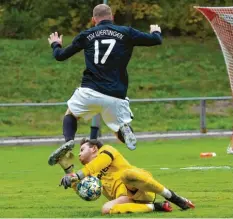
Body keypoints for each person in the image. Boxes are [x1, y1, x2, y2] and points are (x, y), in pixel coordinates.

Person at [47, 3, 163, 161]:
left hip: (90, 91)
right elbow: (156, 40)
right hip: (116, 95)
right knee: (118, 131)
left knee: (71, 114)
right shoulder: (126, 32)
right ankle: (124, 130)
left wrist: (55, 44)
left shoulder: (86, 35)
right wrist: (155, 31)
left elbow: (60, 56)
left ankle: (68, 141)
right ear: (112, 17)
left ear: (94, 20)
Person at [50, 138, 195, 215]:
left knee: (127, 174)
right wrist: (66, 169)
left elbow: (97, 164)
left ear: (94, 148)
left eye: (82, 149)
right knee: (105, 209)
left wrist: (77, 174)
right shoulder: (89, 173)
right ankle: (155, 207)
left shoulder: (107, 150)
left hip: (140, 186)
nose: (79, 154)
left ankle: (173, 197)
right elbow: (83, 191)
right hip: (125, 199)